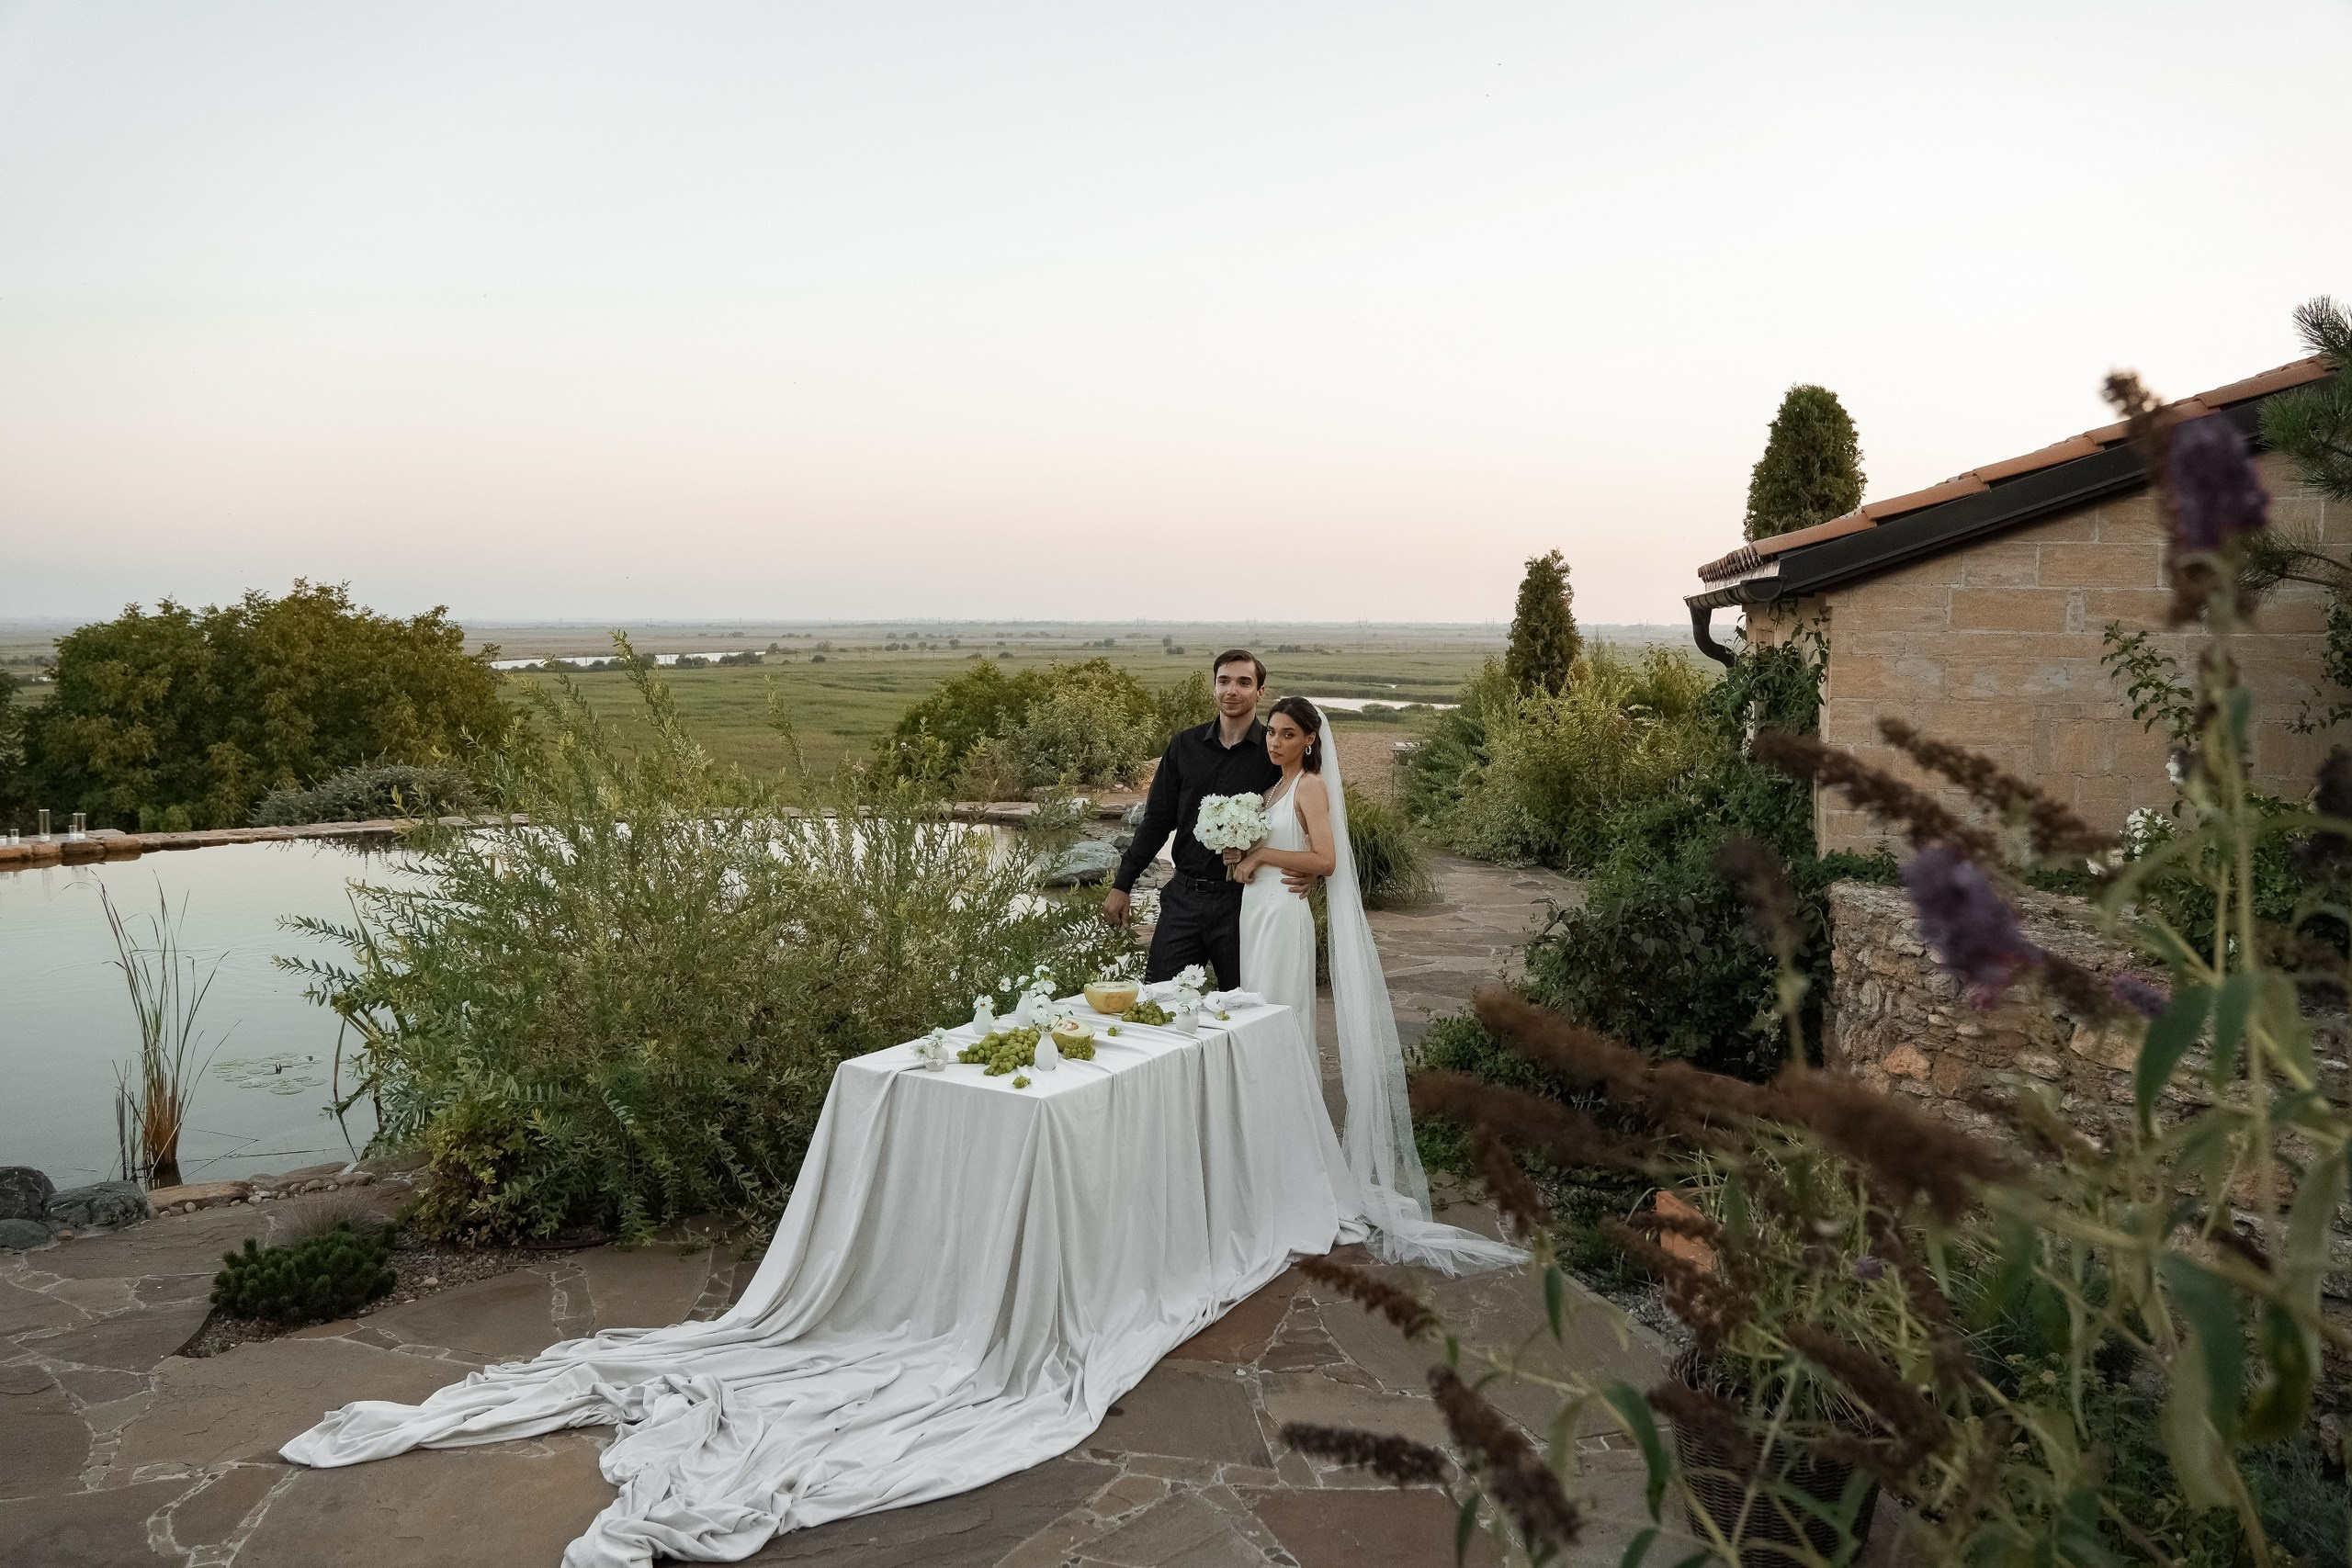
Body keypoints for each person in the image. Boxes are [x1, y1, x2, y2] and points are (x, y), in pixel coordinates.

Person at [1232, 694, 1522, 1277]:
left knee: (1282, 1024)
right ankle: (1261, 1150)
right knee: (1254, 1023)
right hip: (1255, 912)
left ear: (1310, 741)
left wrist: (1263, 853)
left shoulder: (1310, 786)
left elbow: (1327, 859)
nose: (1274, 743)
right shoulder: (1269, 790)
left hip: (1283, 918)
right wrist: (1241, 855)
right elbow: (1272, 854)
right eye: (1271, 734)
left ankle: (1296, 1161)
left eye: (1287, 735)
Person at [1102, 649, 1310, 986]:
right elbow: (1156, 821)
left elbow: (1304, 814)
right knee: (1161, 1001)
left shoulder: (1273, 753)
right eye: (1223, 681)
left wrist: (1309, 871)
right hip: (1184, 897)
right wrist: (1122, 884)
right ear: (1214, 687)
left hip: (1246, 900)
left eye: (1244, 682)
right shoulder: (1185, 746)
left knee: (1243, 1010)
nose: (1232, 690)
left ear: (1260, 692)